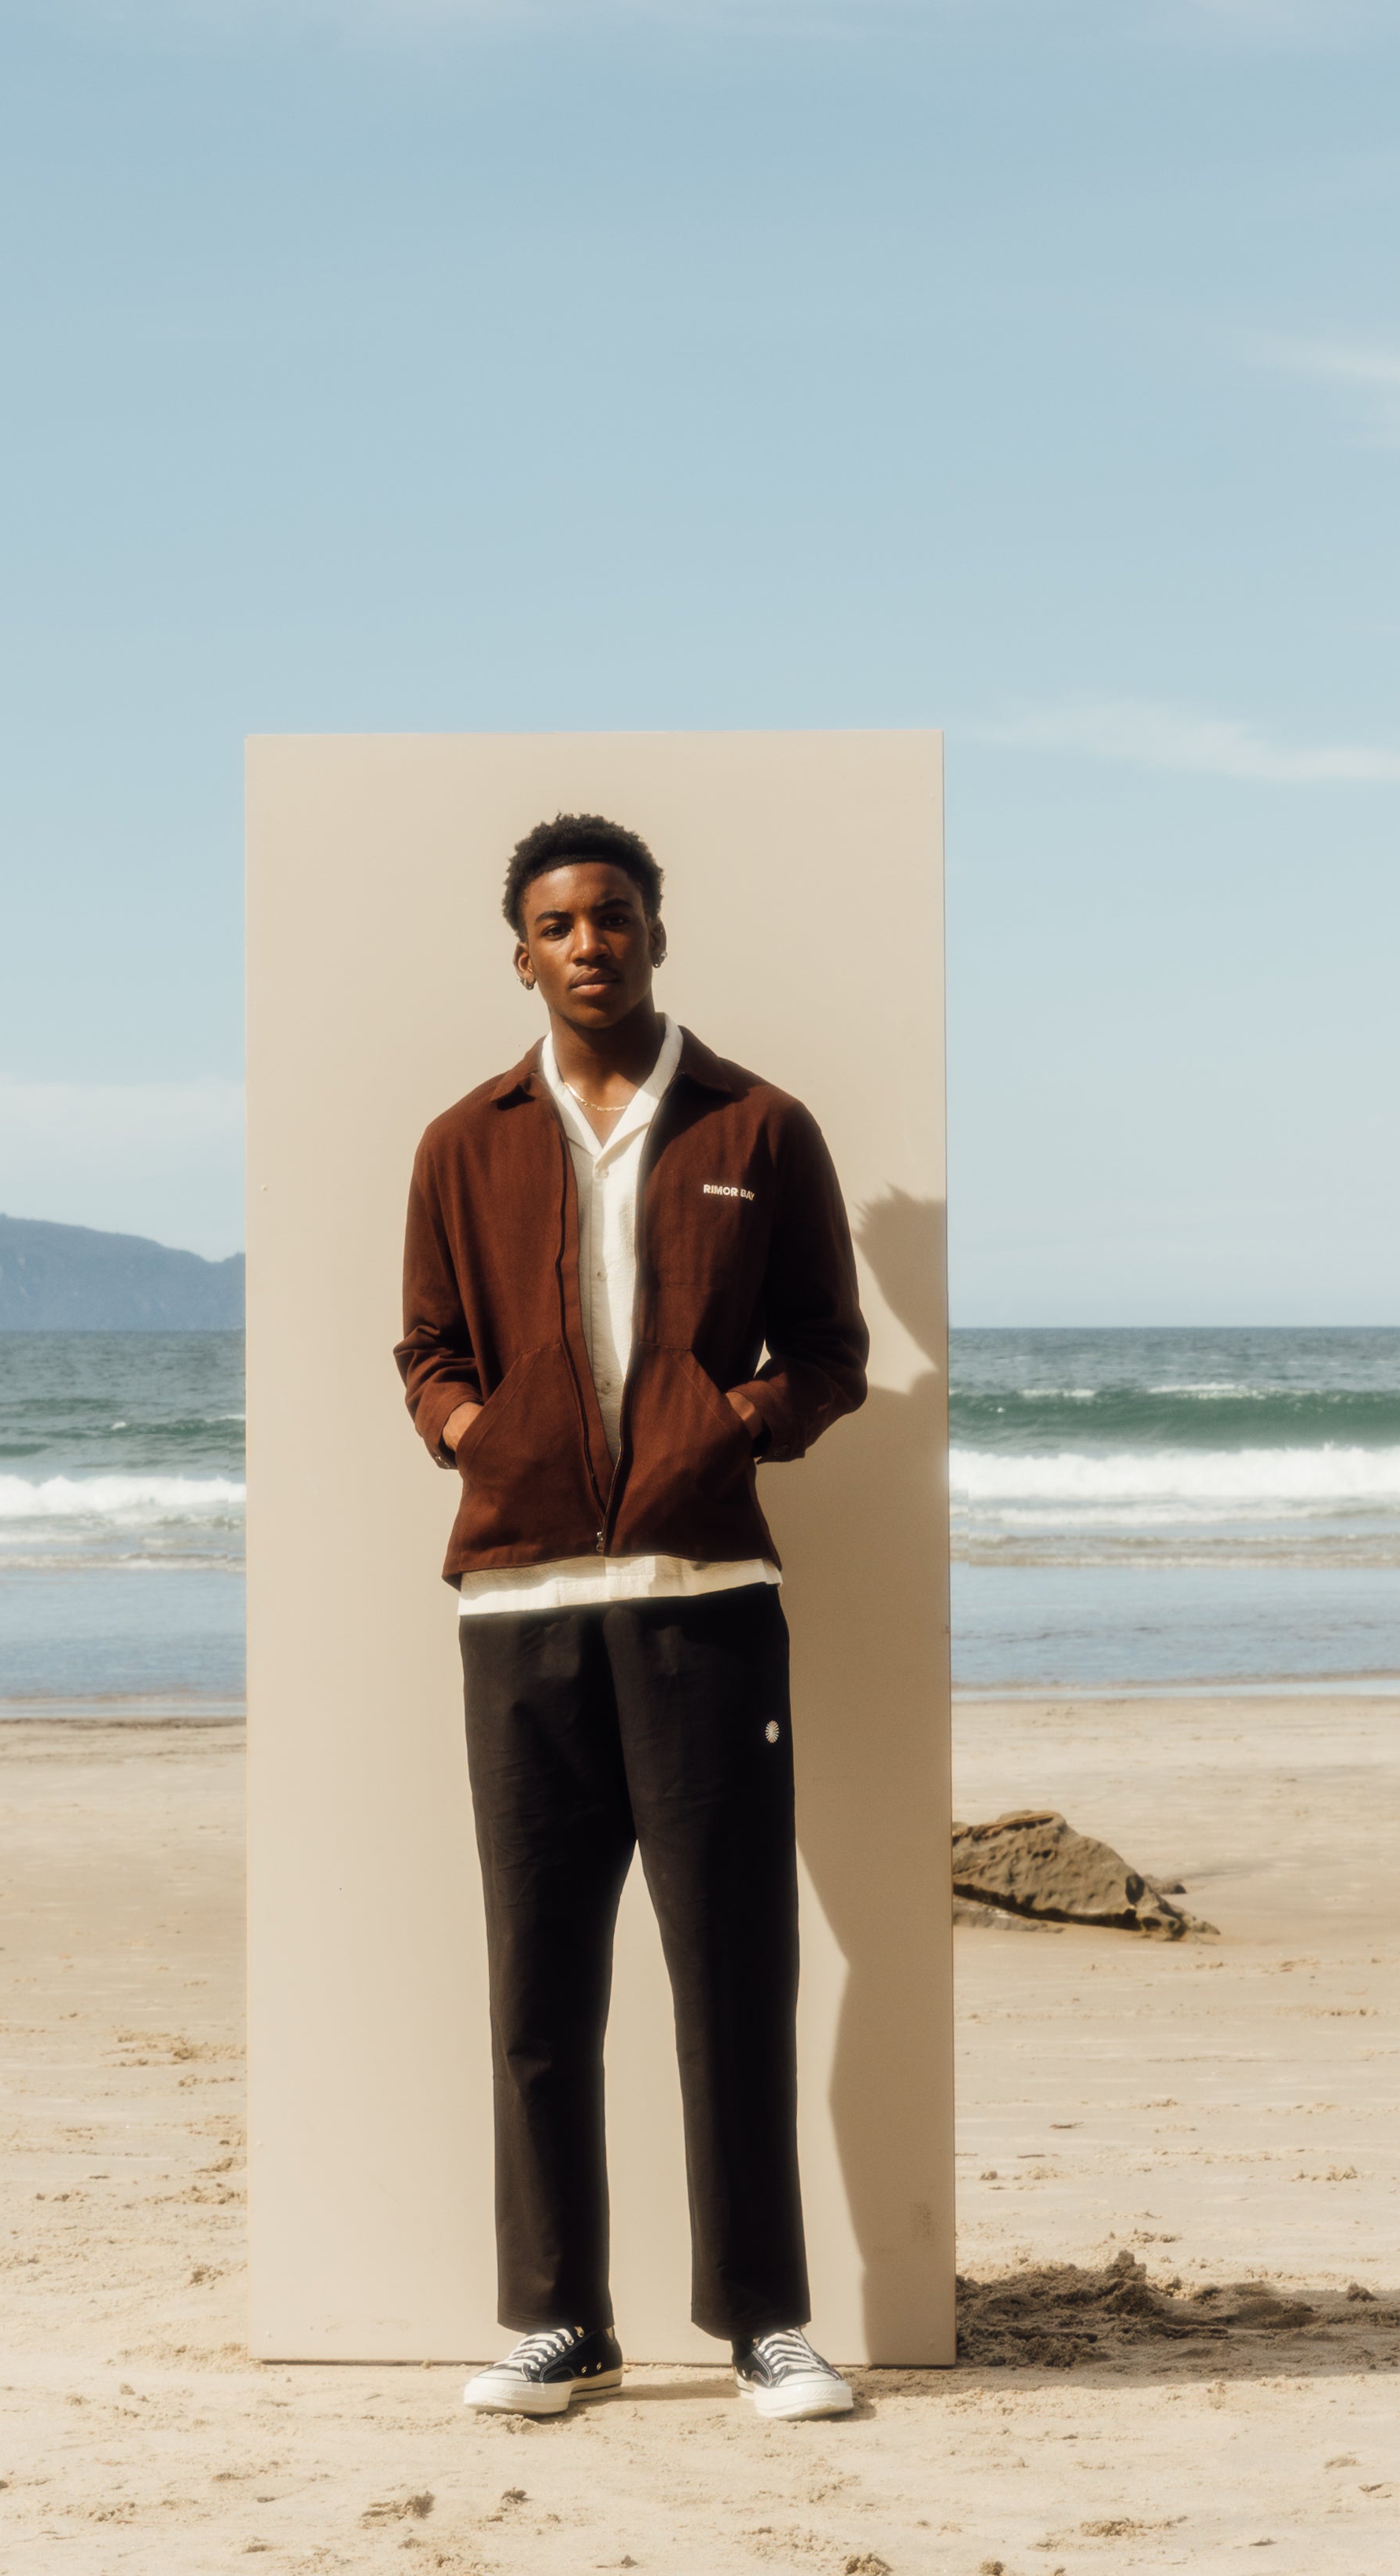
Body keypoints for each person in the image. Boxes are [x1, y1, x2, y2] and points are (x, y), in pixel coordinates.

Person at [395, 811, 869, 2423]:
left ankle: (760, 2319)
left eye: (612, 913)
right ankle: (557, 2318)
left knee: (728, 1962)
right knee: (537, 1977)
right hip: (519, 1599)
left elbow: (826, 1346)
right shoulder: (462, 1140)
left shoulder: (760, 1123)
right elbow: (426, 1350)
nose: (587, 940)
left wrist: (736, 1424)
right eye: (555, 921)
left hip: (700, 1598)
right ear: (519, 952)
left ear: (657, 931)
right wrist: (473, 1431)